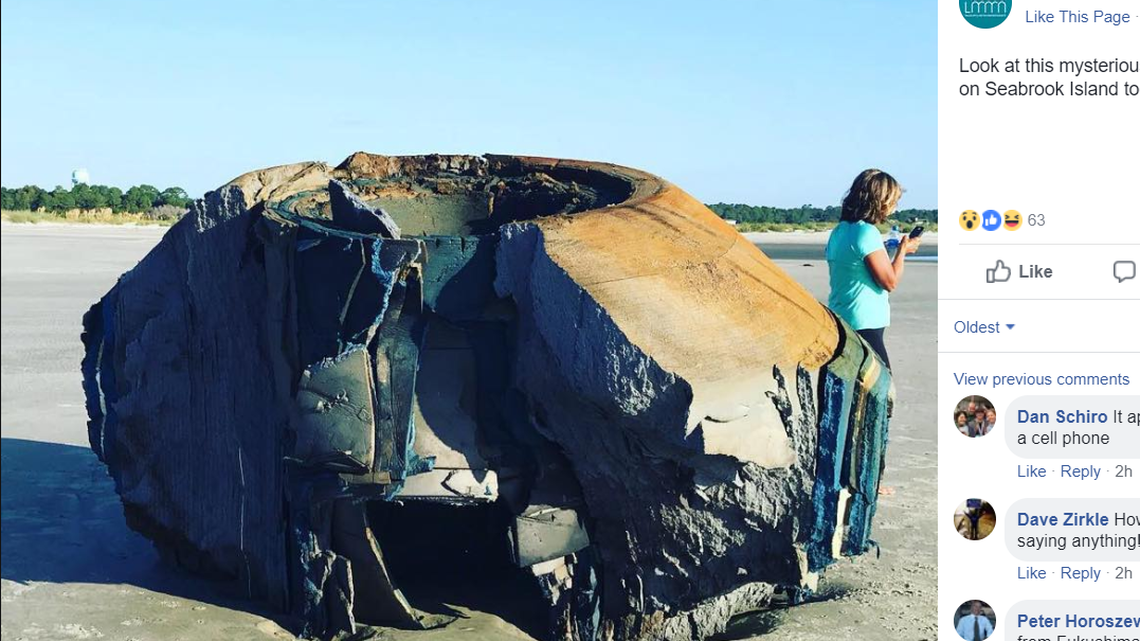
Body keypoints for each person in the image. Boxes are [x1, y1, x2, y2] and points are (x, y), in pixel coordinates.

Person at [826, 169, 921, 369]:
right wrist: (903, 250)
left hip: (841, 317)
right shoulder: (866, 232)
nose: (894, 207)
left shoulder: (839, 231)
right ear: (881, 200)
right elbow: (890, 281)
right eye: (894, 201)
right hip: (865, 322)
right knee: (881, 390)